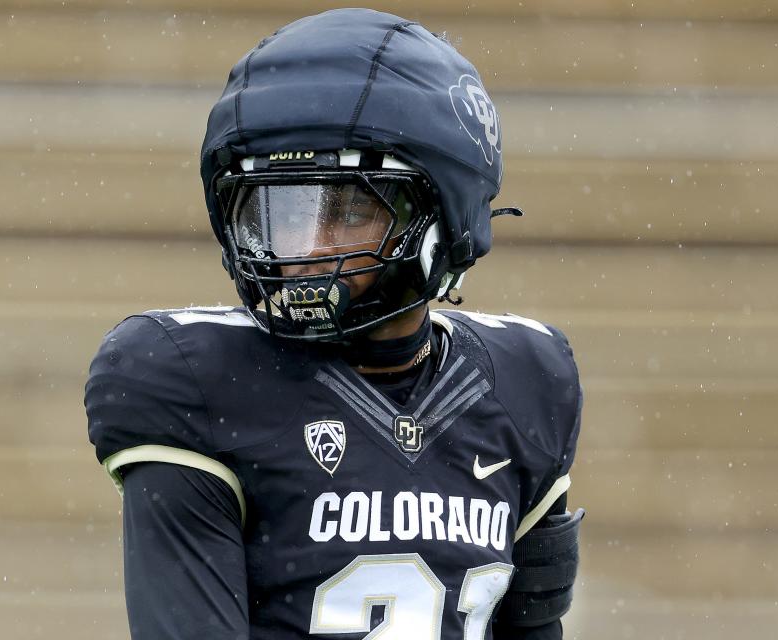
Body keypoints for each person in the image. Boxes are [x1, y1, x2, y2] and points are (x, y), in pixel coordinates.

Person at [85, 8, 583, 639]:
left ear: (445, 210)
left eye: (347, 211)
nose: (308, 248)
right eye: (280, 213)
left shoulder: (525, 381)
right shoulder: (192, 382)